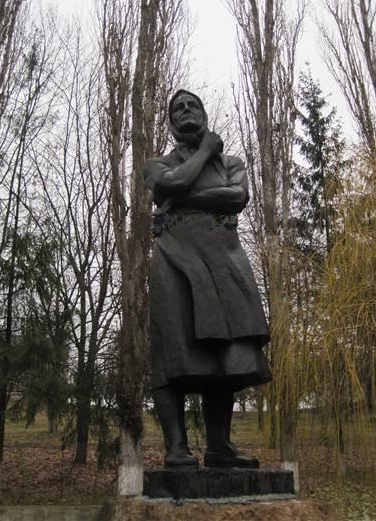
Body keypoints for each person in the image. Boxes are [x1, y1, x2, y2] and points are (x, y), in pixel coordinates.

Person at [143, 89, 272, 468]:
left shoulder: (231, 162)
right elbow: (170, 185)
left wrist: (185, 196)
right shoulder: (156, 163)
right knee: (174, 350)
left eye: (191, 105)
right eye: (177, 108)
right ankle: (177, 449)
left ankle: (219, 447)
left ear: (203, 113)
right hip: (175, 258)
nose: (185, 111)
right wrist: (201, 156)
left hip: (223, 260)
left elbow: (237, 198)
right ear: (170, 121)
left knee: (226, 355)